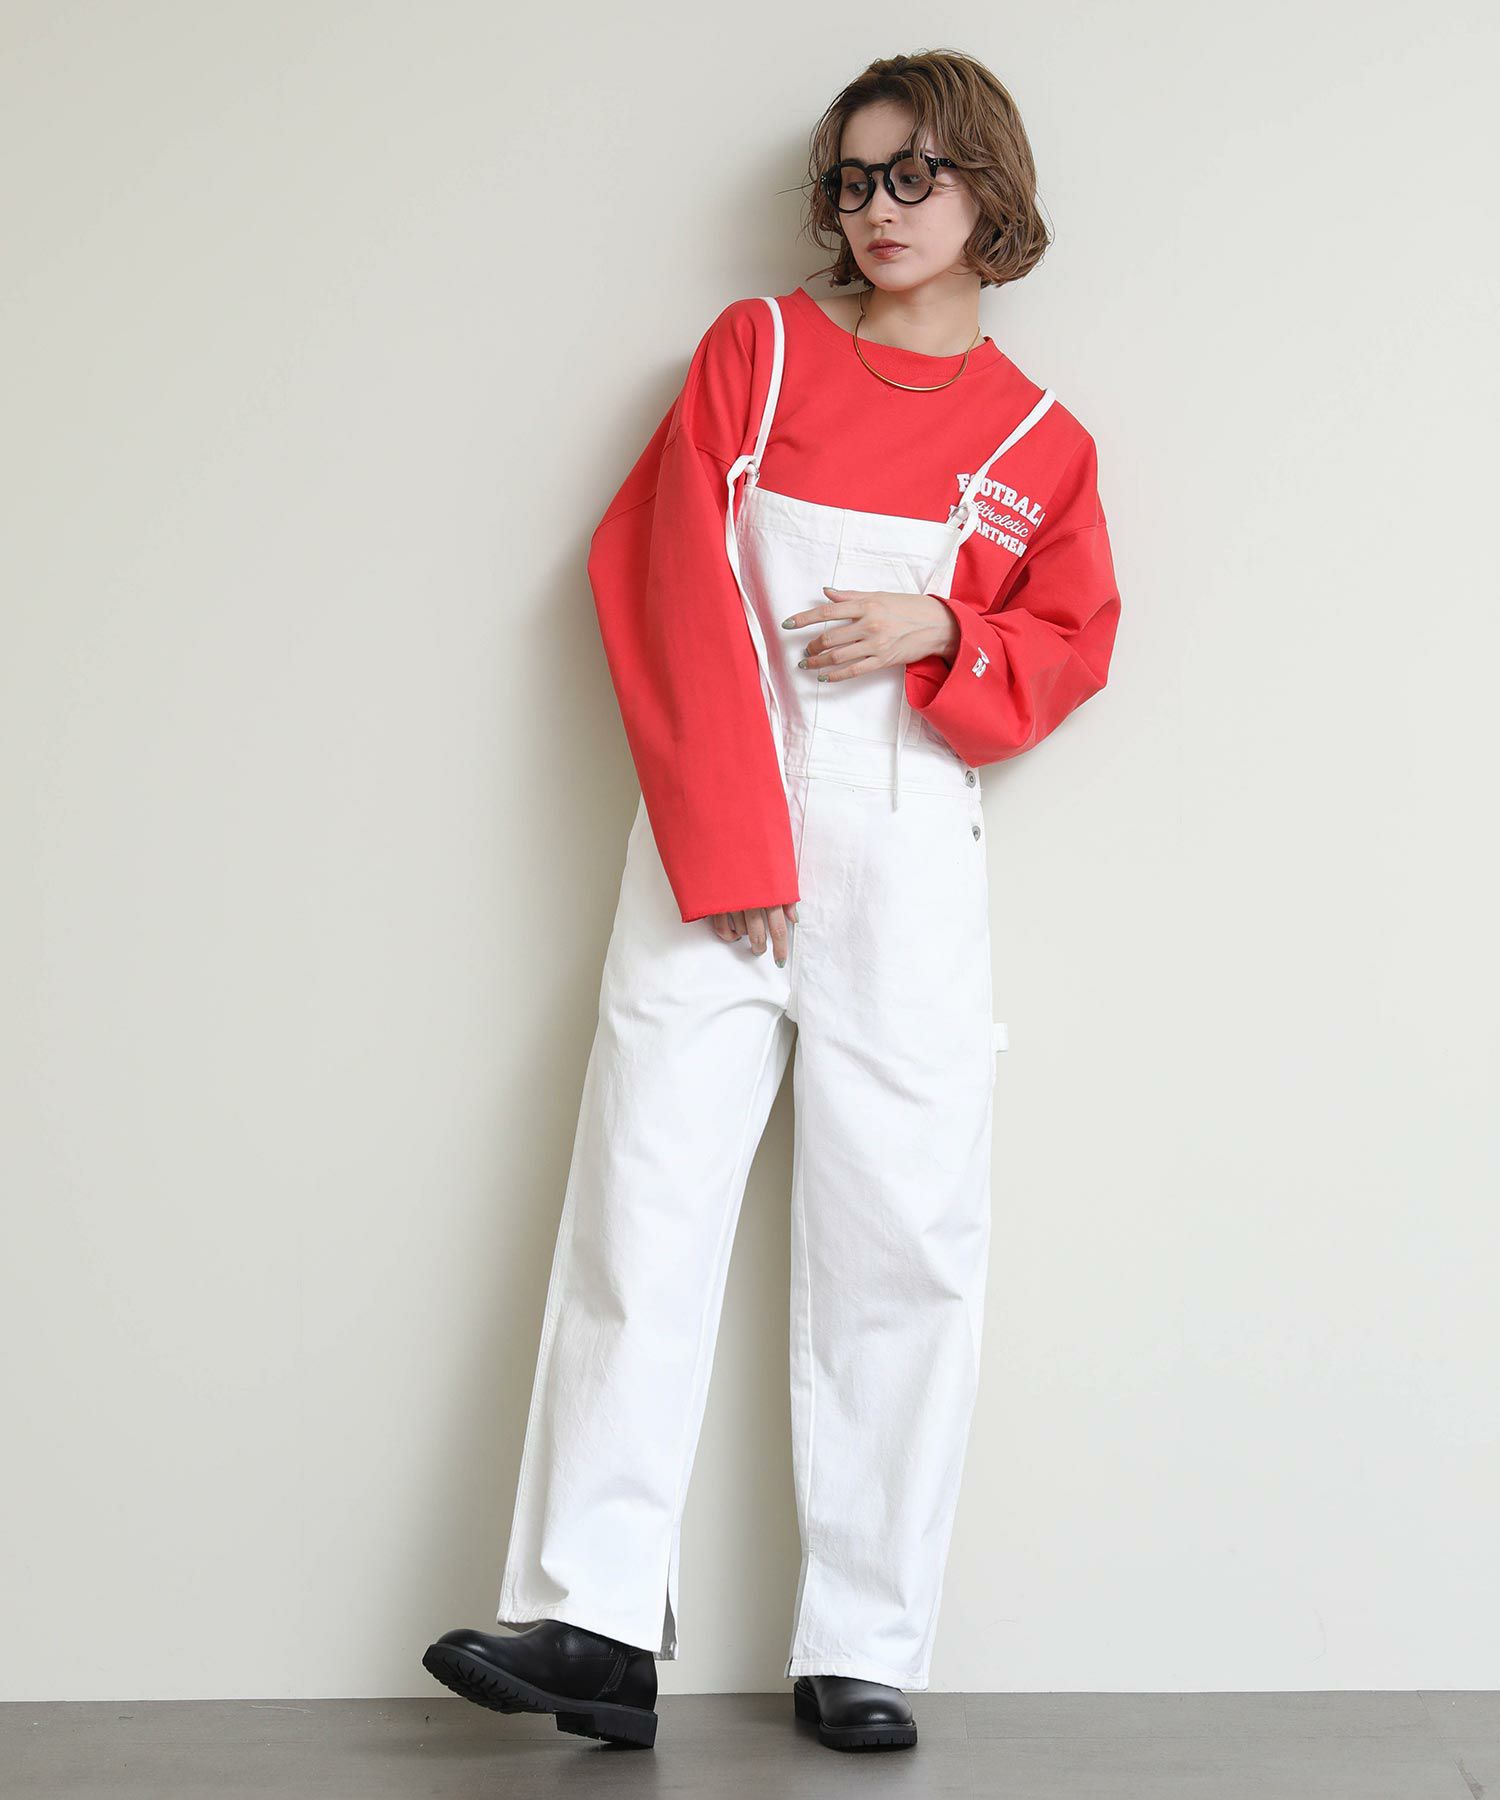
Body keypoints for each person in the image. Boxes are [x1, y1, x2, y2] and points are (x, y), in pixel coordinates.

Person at [424, 48, 1121, 1755]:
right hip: (715, 849)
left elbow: (1069, 646)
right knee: (642, 1205)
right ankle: (595, 1625)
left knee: (906, 1242)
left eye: (917, 174)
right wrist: (735, 844)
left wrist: (947, 627)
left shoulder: (1043, 443)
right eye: (856, 179)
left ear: (991, 190)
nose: (881, 208)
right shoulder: (762, 352)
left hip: (913, 862)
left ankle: (864, 1644)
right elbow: (659, 567)